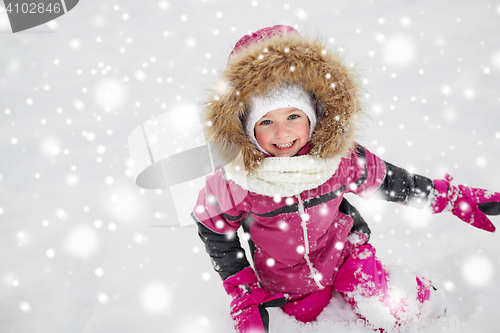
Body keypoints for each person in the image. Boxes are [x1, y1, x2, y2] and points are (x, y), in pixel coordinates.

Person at [191, 25, 500, 333]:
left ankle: (423, 297)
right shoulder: (237, 180)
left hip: (345, 251)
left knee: (387, 306)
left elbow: (396, 184)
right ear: (247, 129)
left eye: (293, 116)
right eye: (267, 121)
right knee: (304, 316)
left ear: (313, 116)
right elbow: (213, 228)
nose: (282, 133)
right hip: (286, 275)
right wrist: (243, 290)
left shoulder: (338, 159)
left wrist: (447, 196)